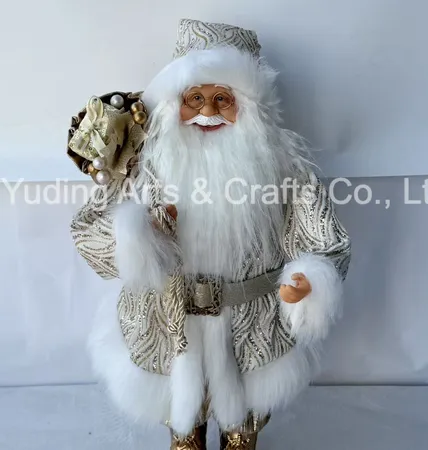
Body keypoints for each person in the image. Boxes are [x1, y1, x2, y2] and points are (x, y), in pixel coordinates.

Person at [69, 18, 351, 450]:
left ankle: (241, 437)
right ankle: (187, 436)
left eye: (222, 99)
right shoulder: (144, 163)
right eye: (195, 99)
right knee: (182, 420)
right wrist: (135, 233)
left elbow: (320, 234)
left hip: (251, 322)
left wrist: (309, 278)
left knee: (245, 423)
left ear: (249, 104)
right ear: (174, 102)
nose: (206, 111)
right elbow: (89, 229)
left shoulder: (283, 164)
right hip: (168, 323)